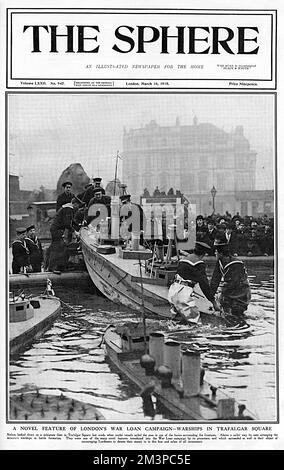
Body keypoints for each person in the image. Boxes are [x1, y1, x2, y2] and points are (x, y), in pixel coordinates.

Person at [168, 241, 220, 324]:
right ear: (203, 254)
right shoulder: (199, 264)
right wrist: (213, 302)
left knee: (176, 321)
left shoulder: (183, 260)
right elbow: (204, 284)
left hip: (173, 289)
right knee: (195, 323)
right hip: (183, 294)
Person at [210, 237, 251, 317]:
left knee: (236, 313)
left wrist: (221, 296)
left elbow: (234, 283)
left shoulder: (235, 263)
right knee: (225, 307)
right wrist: (210, 297)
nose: (215, 253)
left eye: (216, 251)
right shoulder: (220, 262)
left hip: (241, 293)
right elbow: (214, 281)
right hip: (230, 292)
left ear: (221, 253)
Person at [48, 197, 81, 272]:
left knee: (61, 247)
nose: (78, 207)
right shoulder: (68, 209)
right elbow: (67, 223)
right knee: (57, 248)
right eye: (78, 205)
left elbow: (71, 220)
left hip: (57, 229)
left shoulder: (67, 208)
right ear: (75, 204)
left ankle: (61, 267)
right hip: (57, 230)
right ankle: (53, 268)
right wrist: (74, 231)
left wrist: (78, 224)